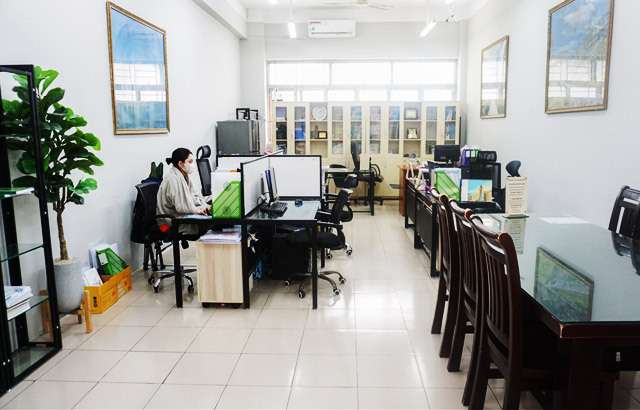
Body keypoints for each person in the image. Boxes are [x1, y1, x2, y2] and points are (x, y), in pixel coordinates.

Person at [157, 148, 211, 235]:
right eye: (190, 162)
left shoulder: (184, 177)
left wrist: (205, 206)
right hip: (168, 223)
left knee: (210, 219)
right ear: (181, 164)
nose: (192, 165)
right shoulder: (172, 179)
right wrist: (198, 210)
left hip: (178, 217)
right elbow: (181, 206)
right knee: (211, 224)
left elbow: (193, 197)